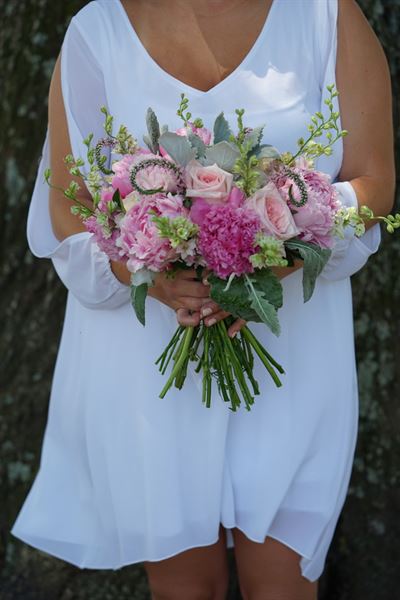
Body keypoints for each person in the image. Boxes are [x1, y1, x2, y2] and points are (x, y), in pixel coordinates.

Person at [11, 1, 394, 599]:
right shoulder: (98, 28)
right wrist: (152, 274)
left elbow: (375, 181)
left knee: (283, 587)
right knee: (186, 590)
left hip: (290, 350)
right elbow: (69, 201)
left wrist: (274, 252)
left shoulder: (326, 16)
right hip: (149, 364)